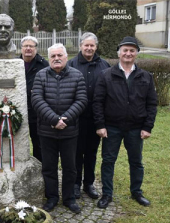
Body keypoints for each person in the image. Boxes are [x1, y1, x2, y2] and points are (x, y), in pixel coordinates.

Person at [93, 36, 157, 209]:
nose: (128, 53)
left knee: (136, 161)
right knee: (108, 161)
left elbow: (151, 103)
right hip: (111, 128)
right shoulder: (106, 75)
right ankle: (107, 194)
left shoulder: (146, 76)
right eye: (125, 50)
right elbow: (98, 102)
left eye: (132, 50)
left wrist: (147, 127)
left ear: (136, 53)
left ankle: (137, 191)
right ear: (119, 53)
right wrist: (100, 125)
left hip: (136, 129)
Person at [31, 43, 87, 214]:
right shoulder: (41, 75)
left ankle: (69, 198)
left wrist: (66, 119)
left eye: (59, 55)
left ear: (66, 57)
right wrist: (54, 120)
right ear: (49, 59)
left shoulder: (77, 76)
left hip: (69, 131)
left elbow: (82, 100)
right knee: (49, 166)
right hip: (47, 131)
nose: (56, 58)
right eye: (53, 56)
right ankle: (52, 197)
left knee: (70, 167)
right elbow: (37, 100)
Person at [67, 32, 110, 199]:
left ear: (96, 47)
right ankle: (76, 183)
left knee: (91, 152)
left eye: (92, 45)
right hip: (76, 118)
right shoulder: (71, 64)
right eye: (86, 45)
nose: (89, 48)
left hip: (96, 119)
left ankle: (88, 183)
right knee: (76, 152)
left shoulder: (104, 65)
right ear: (80, 46)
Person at [19, 36, 49, 162]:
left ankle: (39, 168)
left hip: (37, 112)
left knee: (39, 143)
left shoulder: (44, 64)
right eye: (25, 46)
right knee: (19, 141)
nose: (28, 49)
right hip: (19, 110)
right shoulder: (15, 63)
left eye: (31, 46)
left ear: (36, 49)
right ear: (21, 48)